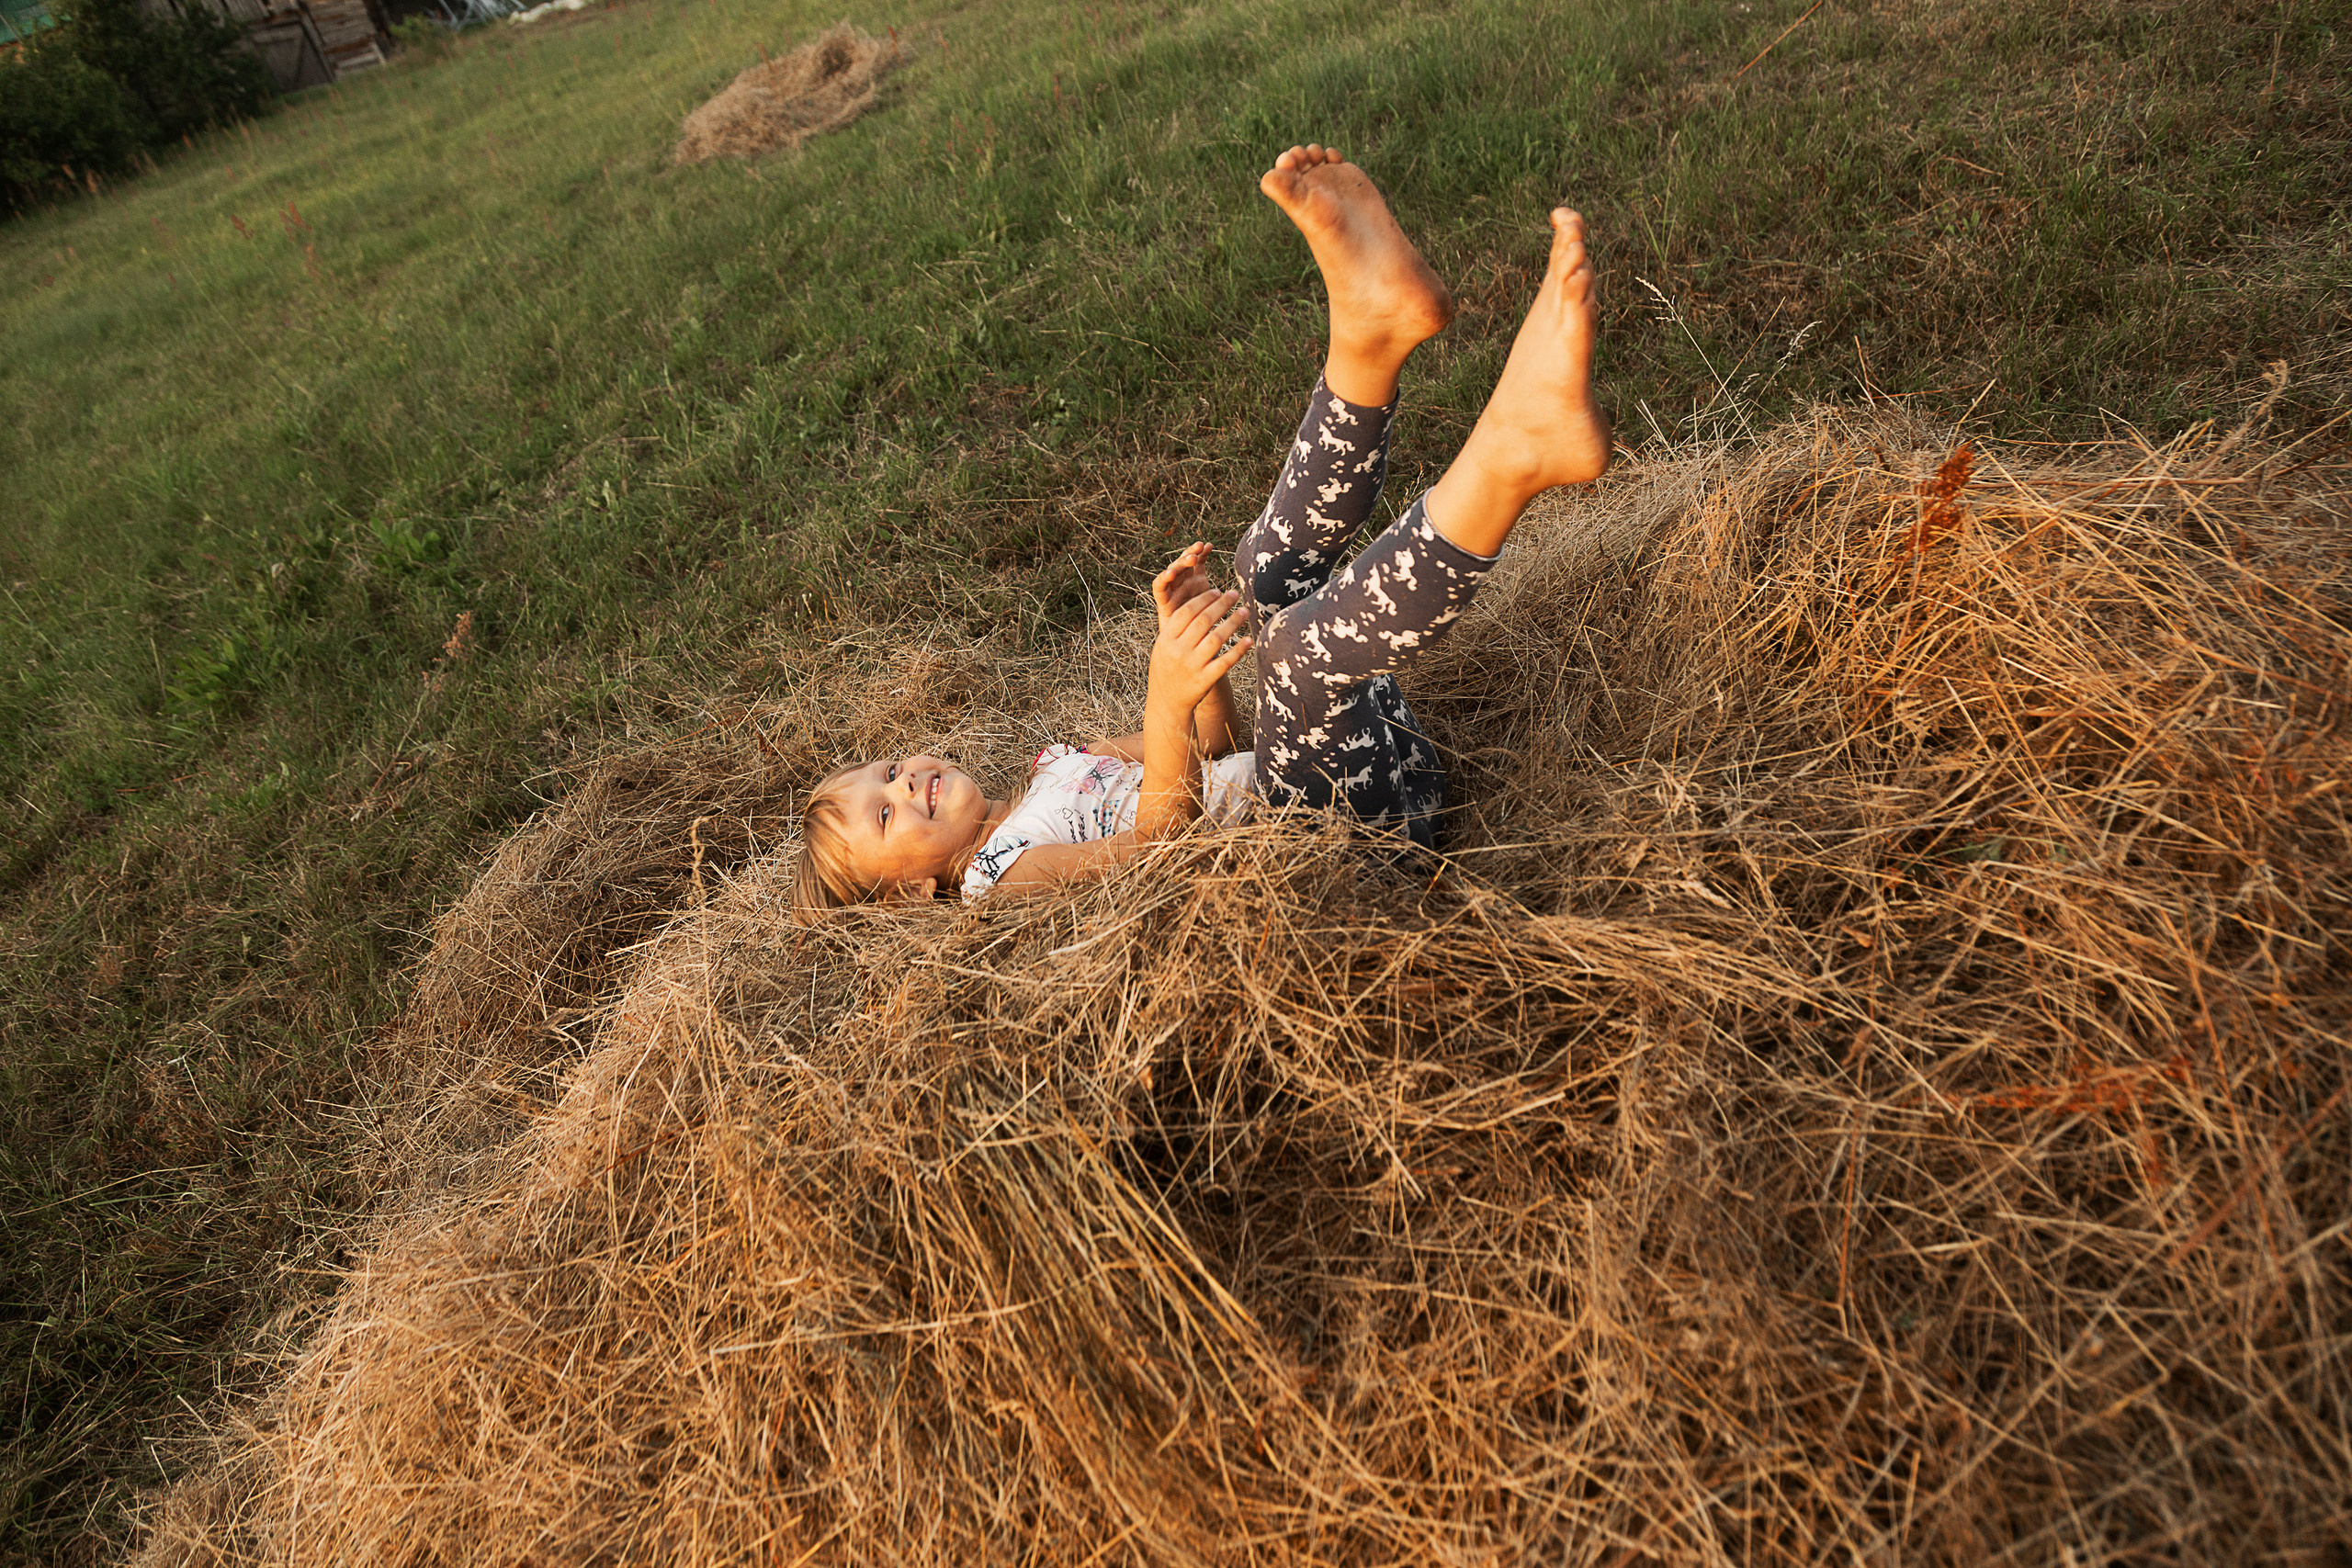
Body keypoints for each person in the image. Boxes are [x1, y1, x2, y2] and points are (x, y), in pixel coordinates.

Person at [793, 143, 1611, 910]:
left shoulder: (1056, 767)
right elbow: (1160, 855)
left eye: (892, 770)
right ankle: (1514, 456)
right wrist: (1162, 693)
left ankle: (1371, 339)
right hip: (1344, 856)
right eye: (887, 816)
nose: (906, 785)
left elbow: (1218, 748)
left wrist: (1197, 656)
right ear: (906, 894)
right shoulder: (994, 877)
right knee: (1293, 654)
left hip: (1354, 775)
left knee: (1261, 576)